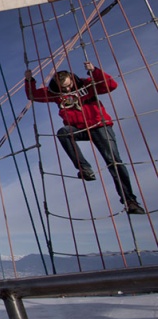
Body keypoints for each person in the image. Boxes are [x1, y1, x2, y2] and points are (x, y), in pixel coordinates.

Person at [24, 61, 145, 215]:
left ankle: (130, 200)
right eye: (64, 88)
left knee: (113, 161)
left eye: (69, 85)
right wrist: (29, 81)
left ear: (72, 79)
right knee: (63, 133)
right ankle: (84, 168)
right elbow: (34, 95)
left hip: (99, 126)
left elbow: (111, 86)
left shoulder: (87, 84)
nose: (67, 89)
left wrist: (94, 71)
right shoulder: (55, 94)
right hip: (79, 128)